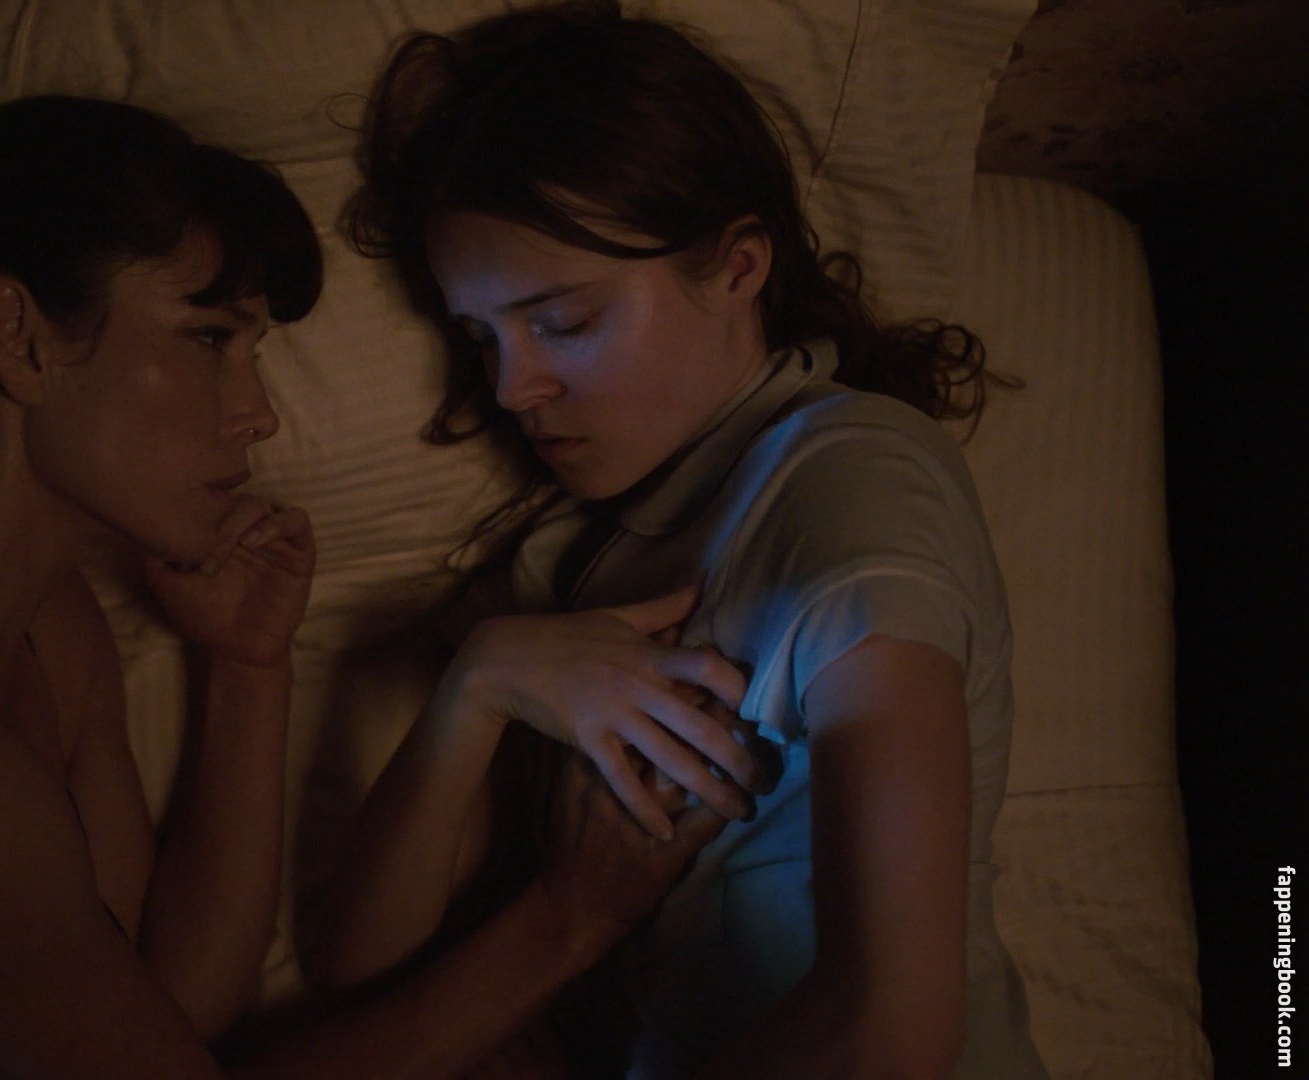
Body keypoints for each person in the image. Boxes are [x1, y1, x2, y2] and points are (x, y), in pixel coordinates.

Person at [0, 94, 754, 1077]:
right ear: (17, 337)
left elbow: (176, 1000)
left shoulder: (39, 625)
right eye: (209, 337)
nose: (256, 413)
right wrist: (567, 921)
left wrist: (246, 665)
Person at [315, 2, 1049, 1076]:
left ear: (738, 268)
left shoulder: (851, 480)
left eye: (562, 322)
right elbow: (360, 966)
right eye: (481, 337)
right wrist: (480, 684)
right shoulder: (570, 562)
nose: (514, 387)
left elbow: (892, 1033)